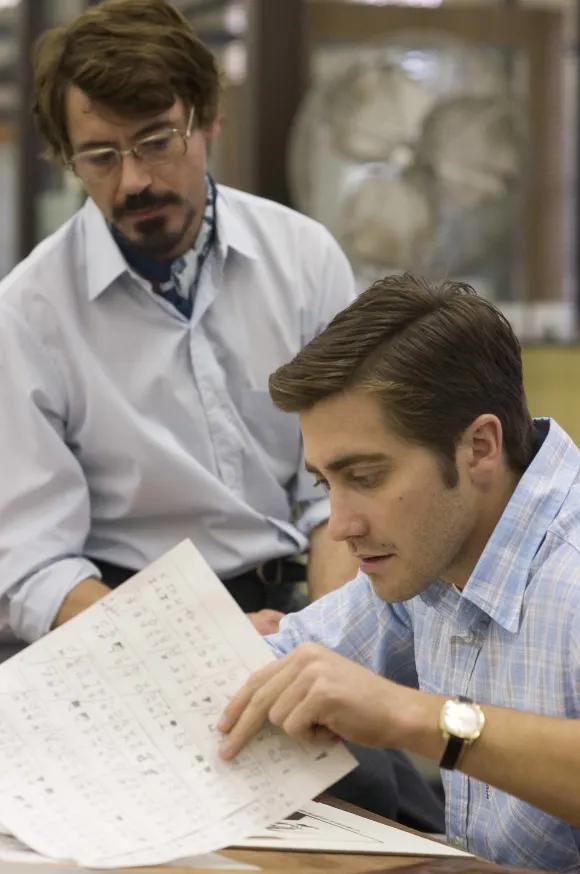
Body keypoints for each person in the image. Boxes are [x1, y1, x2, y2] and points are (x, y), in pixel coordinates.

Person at [0, 0, 444, 834]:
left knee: (399, 816)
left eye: (156, 140)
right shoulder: (27, 314)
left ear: (207, 120)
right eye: (100, 156)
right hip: (123, 629)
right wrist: (196, 643)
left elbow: (339, 494)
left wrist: (323, 643)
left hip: (299, 608)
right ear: (67, 159)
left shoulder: (302, 258)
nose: (133, 180)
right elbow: (35, 567)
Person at [217, 273, 580, 870]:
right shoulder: (429, 555)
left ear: (480, 447)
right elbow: (280, 661)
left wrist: (409, 715)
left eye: (366, 477)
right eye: (325, 484)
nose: (339, 526)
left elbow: (391, 709)